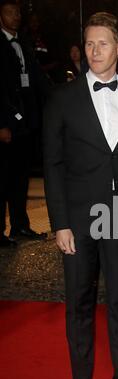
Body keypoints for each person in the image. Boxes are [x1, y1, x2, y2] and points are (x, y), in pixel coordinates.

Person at [43, 12, 118, 379]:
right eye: (89, 44)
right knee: (79, 303)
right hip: (78, 219)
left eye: (103, 43)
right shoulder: (62, 97)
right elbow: (52, 164)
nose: (95, 51)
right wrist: (60, 223)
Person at [0, 0, 49, 247]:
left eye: (18, 12)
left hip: (25, 123)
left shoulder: (24, 42)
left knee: (21, 177)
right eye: (10, 12)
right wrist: (2, 124)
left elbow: (36, 80)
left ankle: (20, 225)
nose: (16, 16)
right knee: (3, 179)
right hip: (6, 124)